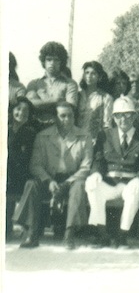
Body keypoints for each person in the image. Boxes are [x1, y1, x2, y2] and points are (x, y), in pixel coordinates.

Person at [13, 102, 93, 249]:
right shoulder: (42, 136)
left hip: (72, 179)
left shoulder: (84, 136)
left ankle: (69, 235)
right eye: (62, 116)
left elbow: (86, 166)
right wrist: (49, 181)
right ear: (55, 118)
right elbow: (35, 165)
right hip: (49, 178)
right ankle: (32, 234)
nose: (67, 119)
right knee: (31, 184)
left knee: (79, 186)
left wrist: (68, 182)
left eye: (70, 116)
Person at [84, 97, 139, 248]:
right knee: (92, 186)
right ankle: (102, 234)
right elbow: (98, 160)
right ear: (113, 118)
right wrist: (96, 173)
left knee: (134, 192)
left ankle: (122, 235)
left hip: (130, 182)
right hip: (110, 182)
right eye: (118, 115)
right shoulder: (105, 135)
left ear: (134, 116)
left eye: (127, 114)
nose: (123, 119)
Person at [26, 42, 79, 127]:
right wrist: (57, 100)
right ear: (43, 61)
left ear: (61, 62)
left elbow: (70, 108)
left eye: (56, 59)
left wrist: (40, 104)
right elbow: (29, 105)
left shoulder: (70, 83)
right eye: (49, 59)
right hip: (36, 128)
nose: (52, 63)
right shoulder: (34, 84)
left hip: (59, 128)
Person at [6, 97, 36, 238]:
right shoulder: (4, 129)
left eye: (26, 110)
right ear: (12, 110)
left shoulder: (31, 133)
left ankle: (22, 224)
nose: (21, 113)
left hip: (22, 177)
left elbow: (29, 159)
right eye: (18, 109)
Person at [77, 61, 114, 142]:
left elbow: (107, 125)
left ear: (99, 76)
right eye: (87, 73)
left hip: (94, 141)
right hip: (76, 140)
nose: (89, 76)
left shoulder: (105, 97)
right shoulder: (77, 95)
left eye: (93, 73)